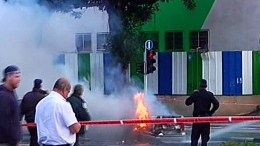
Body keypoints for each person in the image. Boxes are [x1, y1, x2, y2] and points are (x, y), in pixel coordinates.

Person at [35, 78, 81, 146]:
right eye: (68, 92)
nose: (67, 96)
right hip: (62, 144)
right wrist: (78, 125)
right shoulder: (63, 104)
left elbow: (37, 123)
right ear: (64, 90)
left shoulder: (40, 104)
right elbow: (74, 128)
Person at [185, 79, 219, 146]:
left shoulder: (196, 94)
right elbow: (216, 104)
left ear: (199, 86)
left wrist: (193, 94)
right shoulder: (209, 95)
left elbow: (187, 102)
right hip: (206, 119)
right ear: (206, 86)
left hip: (197, 119)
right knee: (204, 140)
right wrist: (210, 113)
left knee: (194, 139)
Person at [20, 79, 48, 146]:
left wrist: (19, 119)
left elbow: (22, 109)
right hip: (40, 121)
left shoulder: (27, 96)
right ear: (40, 86)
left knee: (33, 137)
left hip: (29, 121)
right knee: (39, 138)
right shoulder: (43, 97)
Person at [0, 65, 21, 146]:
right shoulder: (3, 96)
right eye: (16, 76)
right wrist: (14, 140)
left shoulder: (11, 93)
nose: (19, 79)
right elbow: (4, 122)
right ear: (8, 77)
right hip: (5, 142)